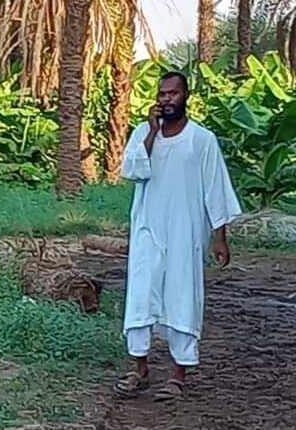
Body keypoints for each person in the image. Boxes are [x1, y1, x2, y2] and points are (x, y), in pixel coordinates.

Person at [113, 71, 242, 401]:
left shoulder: (202, 139)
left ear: (186, 96)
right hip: (148, 230)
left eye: (173, 93)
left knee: (183, 297)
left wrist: (220, 237)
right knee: (141, 295)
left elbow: (215, 189)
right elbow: (132, 171)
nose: (167, 99)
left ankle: (178, 375)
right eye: (162, 94)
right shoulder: (143, 132)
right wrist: (151, 132)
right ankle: (139, 370)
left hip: (186, 233)